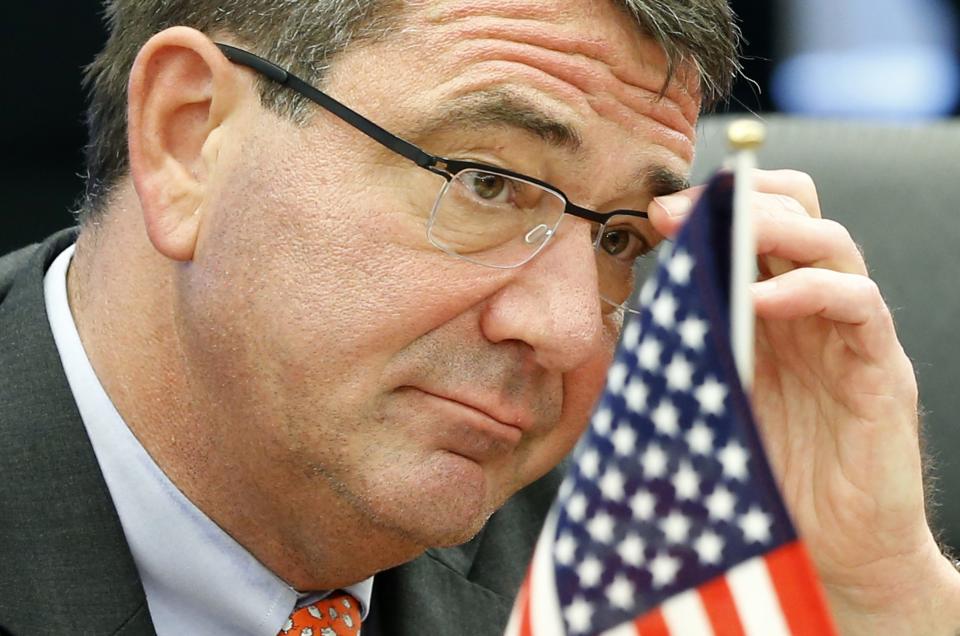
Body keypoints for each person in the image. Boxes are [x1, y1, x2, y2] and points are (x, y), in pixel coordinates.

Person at [0, 0, 957, 634]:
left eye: (619, 239)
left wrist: (880, 600)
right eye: (486, 183)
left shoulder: (629, 548)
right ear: (188, 137)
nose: (570, 331)